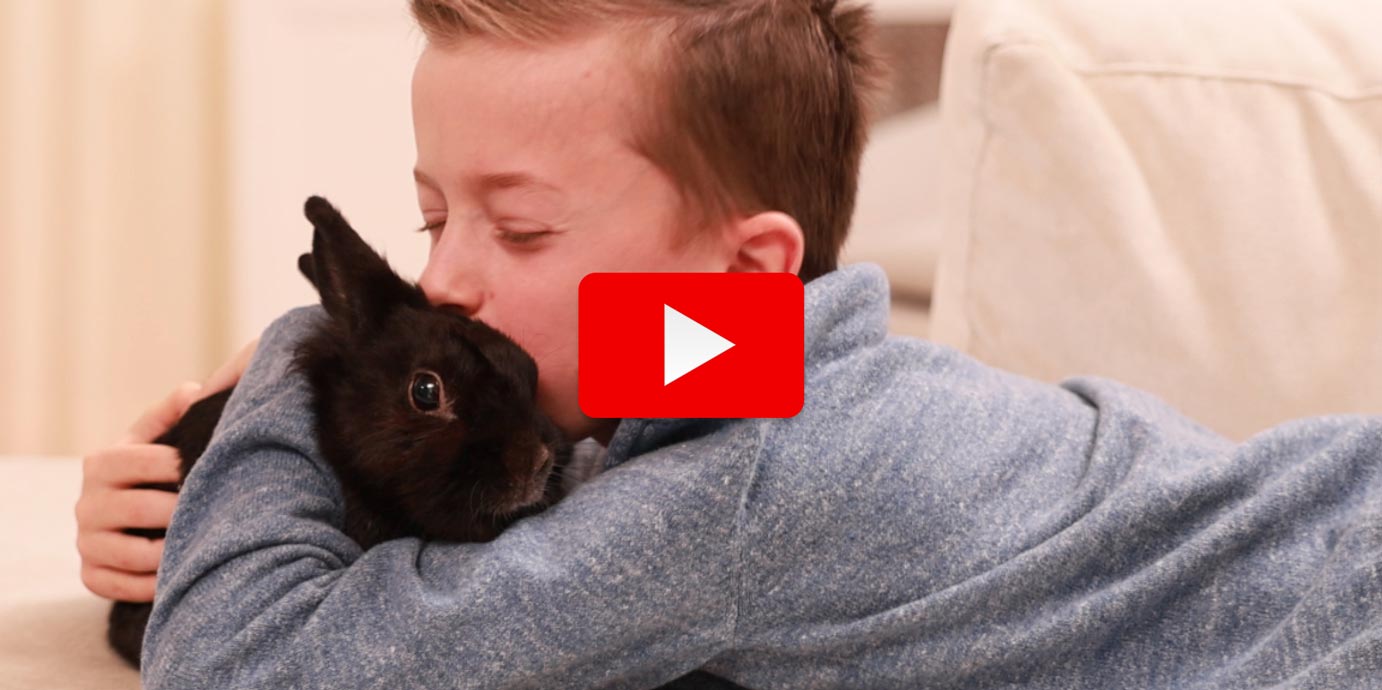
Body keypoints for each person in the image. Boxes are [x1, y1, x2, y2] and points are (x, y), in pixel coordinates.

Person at [76, 1, 1382, 688]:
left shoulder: (747, 486)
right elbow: (491, 535)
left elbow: (249, 665)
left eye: (518, 230)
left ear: (744, 270)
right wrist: (188, 506)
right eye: (429, 217)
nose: (444, 284)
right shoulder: (728, 368)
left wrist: (306, 353)